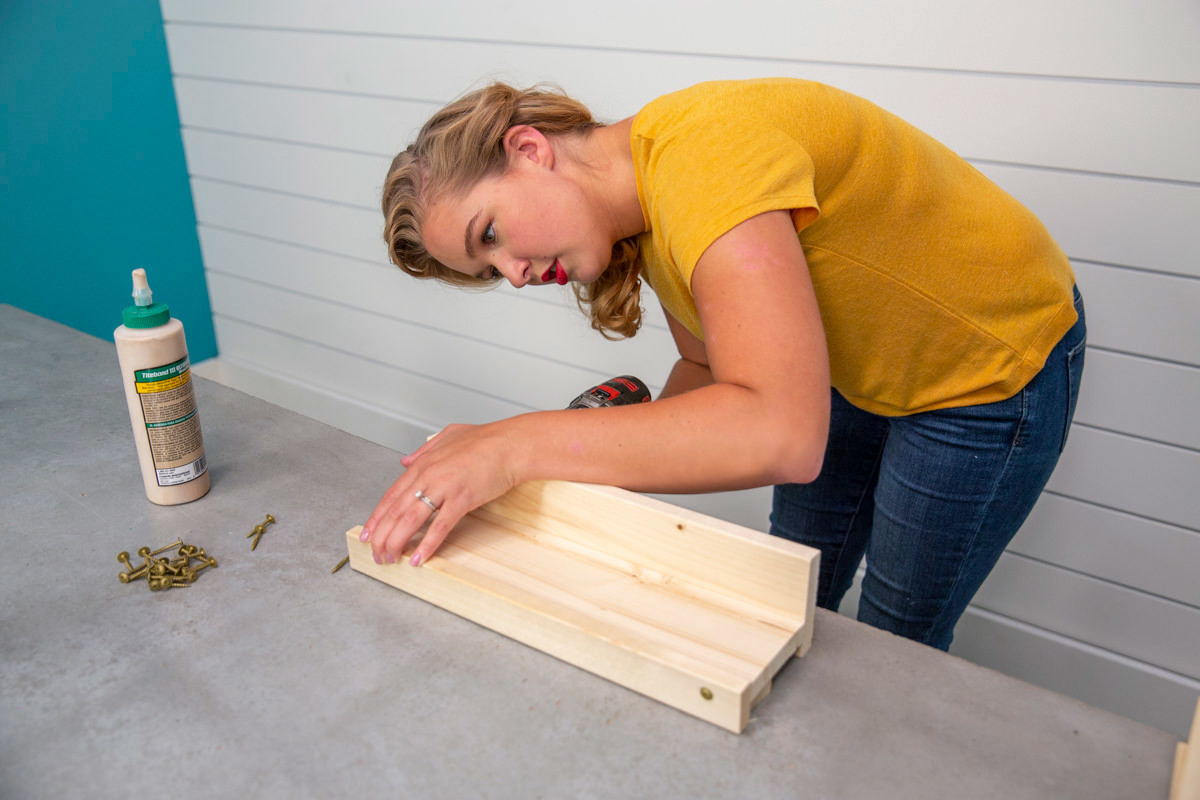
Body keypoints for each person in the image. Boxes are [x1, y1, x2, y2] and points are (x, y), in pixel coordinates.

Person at [362, 78, 1086, 650]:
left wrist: (513, 446)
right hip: (854, 366)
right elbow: (710, 374)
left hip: (985, 366)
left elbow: (780, 432)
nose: (513, 274)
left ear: (529, 149)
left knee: (893, 640)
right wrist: (564, 476)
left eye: (490, 233)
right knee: (792, 591)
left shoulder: (703, 160)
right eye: (488, 268)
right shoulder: (644, 214)